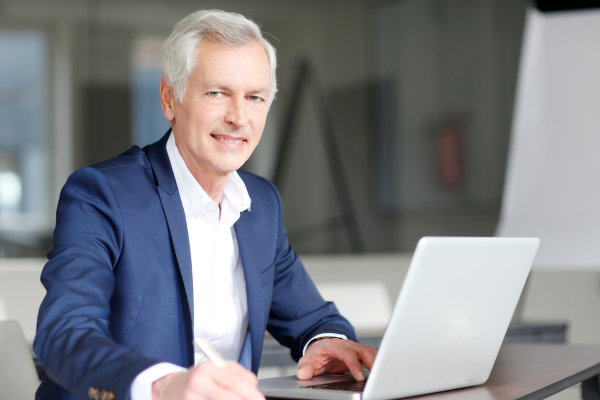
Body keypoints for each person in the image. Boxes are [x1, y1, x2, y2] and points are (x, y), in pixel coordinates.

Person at [34, 9, 376, 400]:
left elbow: (312, 318)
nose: (238, 117)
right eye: (217, 92)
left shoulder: (261, 203)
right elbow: (64, 336)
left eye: (254, 97)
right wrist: (162, 384)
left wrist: (323, 342)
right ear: (169, 99)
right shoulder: (102, 194)